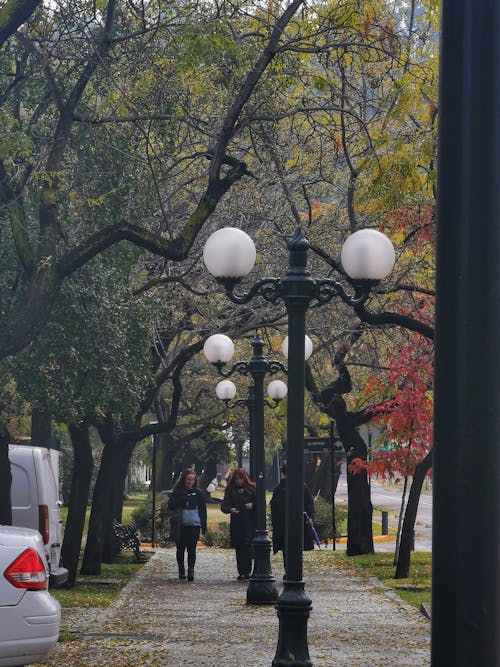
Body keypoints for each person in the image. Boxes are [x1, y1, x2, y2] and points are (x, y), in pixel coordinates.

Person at [270, 463, 315, 566]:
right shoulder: (281, 489)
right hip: (287, 524)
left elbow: (309, 504)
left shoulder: (300, 488)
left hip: (293, 523)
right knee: (289, 548)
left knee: (293, 548)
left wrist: (310, 517)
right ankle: (290, 569)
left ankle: (293, 569)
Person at [167, 468, 207, 581]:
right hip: (180, 525)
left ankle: (191, 570)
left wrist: (204, 525)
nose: (190, 482)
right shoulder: (177, 492)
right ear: (183, 480)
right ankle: (181, 570)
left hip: (194, 525)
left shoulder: (199, 493)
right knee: (180, 549)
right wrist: (182, 499)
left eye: (192, 480)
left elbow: (203, 510)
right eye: (188, 480)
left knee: (191, 549)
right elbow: (170, 505)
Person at [221, 467, 256, 580]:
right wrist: (230, 509)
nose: (239, 481)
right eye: (236, 479)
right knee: (239, 548)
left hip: (249, 521)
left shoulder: (251, 488)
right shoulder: (231, 490)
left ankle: (248, 571)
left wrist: (252, 505)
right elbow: (224, 506)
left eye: (240, 479)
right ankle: (242, 572)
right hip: (237, 522)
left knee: (248, 547)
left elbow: (260, 503)